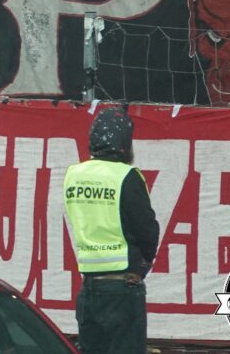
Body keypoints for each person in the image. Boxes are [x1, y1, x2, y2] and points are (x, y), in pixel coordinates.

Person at [63, 107, 159, 354]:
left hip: (89, 289)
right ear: (124, 144)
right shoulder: (125, 176)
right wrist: (142, 267)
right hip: (122, 288)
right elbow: (147, 229)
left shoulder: (74, 174)